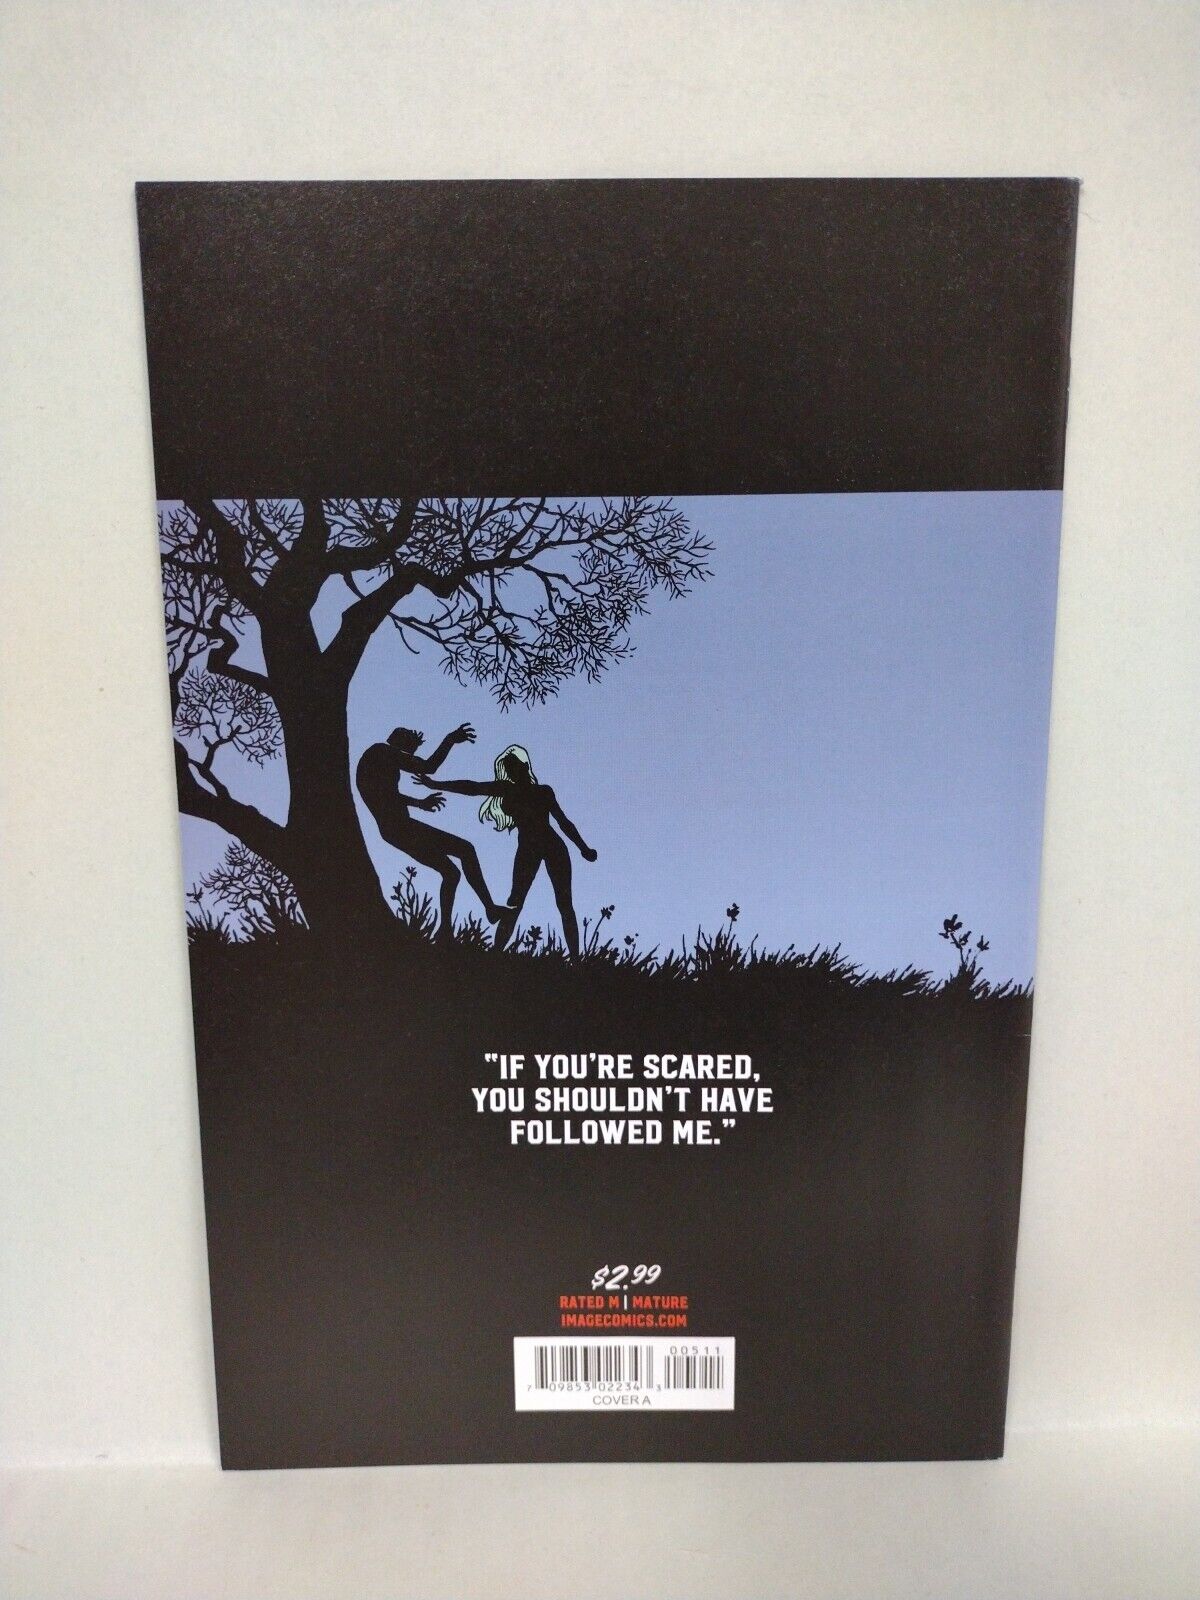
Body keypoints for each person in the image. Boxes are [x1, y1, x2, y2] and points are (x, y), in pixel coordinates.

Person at [417, 744, 596, 958]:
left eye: (515, 767)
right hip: (528, 848)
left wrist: (583, 847)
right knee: (515, 901)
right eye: (509, 769)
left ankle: (576, 959)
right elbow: (472, 787)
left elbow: (563, 822)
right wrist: (436, 784)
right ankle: (496, 952)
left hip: (553, 846)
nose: (512, 772)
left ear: (524, 767)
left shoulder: (543, 791)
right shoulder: (507, 789)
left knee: (563, 902)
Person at [355, 722, 502, 940]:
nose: (412, 752)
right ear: (399, 740)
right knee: (465, 849)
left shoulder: (382, 758)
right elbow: (426, 768)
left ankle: (447, 931)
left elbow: (390, 791)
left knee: (451, 873)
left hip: (395, 830)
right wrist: (449, 740)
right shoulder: (382, 752)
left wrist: (418, 801)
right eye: (410, 743)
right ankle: (489, 908)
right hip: (400, 828)